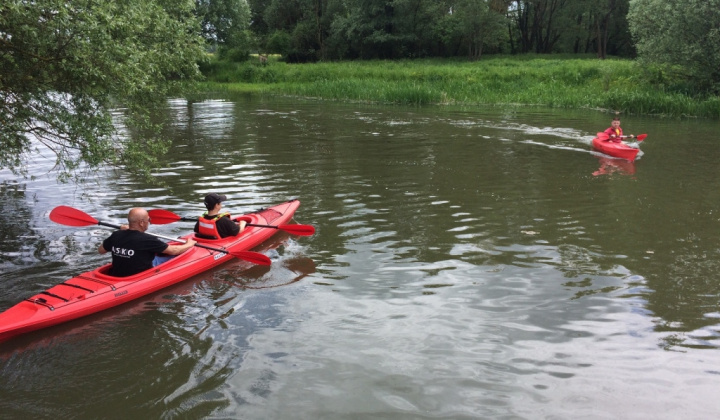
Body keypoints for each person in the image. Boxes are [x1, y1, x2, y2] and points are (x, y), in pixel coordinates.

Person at [98, 208, 196, 277]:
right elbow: (174, 250)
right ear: (141, 222)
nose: (149, 222)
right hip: (139, 274)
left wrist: (123, 231)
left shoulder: (116, 235)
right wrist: (189, 244)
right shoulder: (148, 239)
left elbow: (101, 250)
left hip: (118, 273)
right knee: (176, 256)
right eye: (148, 220)